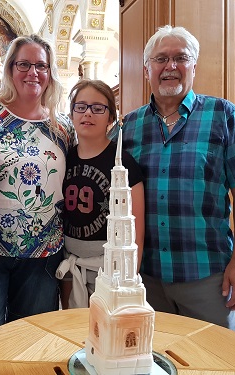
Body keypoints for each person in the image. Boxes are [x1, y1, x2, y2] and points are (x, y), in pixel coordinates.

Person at [115, 25, 235, 332]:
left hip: (208, 277)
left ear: (193, 67)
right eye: (160, 59)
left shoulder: (224, 115)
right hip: (146, 278)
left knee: (214, 361)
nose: (170, 66)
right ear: (147, 70)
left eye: (180, 58)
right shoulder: (128, 127)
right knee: (152, 359)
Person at [0, 34, 75, 332]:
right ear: (10, 69)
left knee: (31, 340)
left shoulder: (63, 127)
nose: (32, 72)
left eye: (41, 65)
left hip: (44, 254)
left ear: (50, 74)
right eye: (24, 64)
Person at [57, 79, 145, 308]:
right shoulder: (63, 158)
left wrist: (127, 279)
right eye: (81, 106)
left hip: (109, 270)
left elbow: (135, 231)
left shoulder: (125, 164)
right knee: (73, 329)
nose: (88, 113)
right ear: (72, 113)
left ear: (111, 118)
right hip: (70, 263)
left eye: (98, 108)